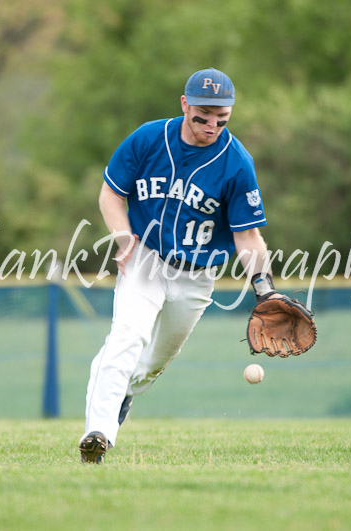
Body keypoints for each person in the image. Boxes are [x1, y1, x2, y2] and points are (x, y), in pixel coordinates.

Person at [79, 68, 280, 464]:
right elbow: (110, 193)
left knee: (151, 364)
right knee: (127, 336)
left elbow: (247, 235)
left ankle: (121, 395)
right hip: (146, 259)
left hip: (196, 277)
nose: (211, 126)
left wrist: (265, 289)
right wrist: (123, 237)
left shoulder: (237, 163)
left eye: (221, 118)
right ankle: (98, 432)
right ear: (184, 104)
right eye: (202, 116)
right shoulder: (149, 138)